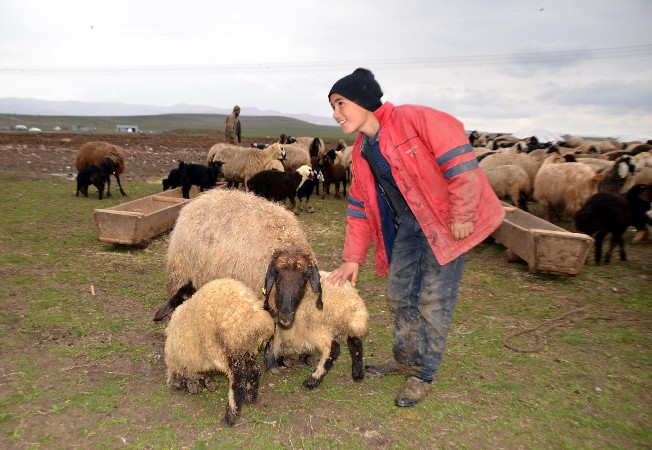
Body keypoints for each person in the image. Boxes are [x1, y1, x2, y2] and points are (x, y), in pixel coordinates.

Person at [325, 68, 505, 407]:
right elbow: (359, 207)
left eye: (340, 103)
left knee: (434, 300)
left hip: (445, 219)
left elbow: (459, 159)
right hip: (410, 223)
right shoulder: (362, 151)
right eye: (332, 107)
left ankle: (423, 373)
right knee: (400, 293)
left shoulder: (411, 118)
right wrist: (352, 258)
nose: (335, 114)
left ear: (363, 100)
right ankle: (404, 357)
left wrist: (463, 213)